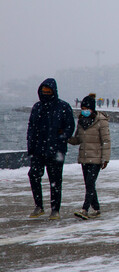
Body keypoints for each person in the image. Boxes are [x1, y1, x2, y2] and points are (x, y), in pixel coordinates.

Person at [27, 78, 75, 220]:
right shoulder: (37, 107)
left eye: (49, 91)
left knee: (55, 181)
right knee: (33, 175)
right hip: (38, 150)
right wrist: (31, 147)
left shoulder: (63, 107)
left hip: (56, 151)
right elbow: (31, 128)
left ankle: (55, 210)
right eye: (44, 91)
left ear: (54, 91)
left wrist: (61, 138)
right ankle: (39, 206)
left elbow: (70, 127)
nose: (46, 94)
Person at [69, 95, 111, 220]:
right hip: (85, 158)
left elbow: (106, 141)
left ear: (92, 109)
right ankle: (97, 209)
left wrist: (105, 159)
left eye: (87, 108)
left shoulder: (101, 121)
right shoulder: (81, 121)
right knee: (89, 185)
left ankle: (85, 209)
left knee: (90, 183)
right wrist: (66, 138)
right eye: (83, 108)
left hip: (96, 158)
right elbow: (78, 140)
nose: (84, 110)